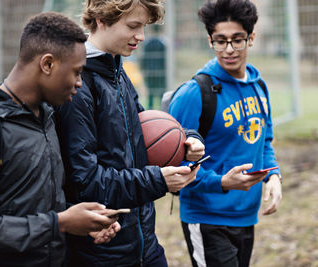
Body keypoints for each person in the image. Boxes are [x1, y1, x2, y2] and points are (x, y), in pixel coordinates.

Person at [0, 12, 121, 267]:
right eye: (76, 72)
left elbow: (29, 206)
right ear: (47, 64)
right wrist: (60, 223)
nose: (79, 83)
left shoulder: (48, 118)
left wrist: (80, 221)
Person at [56, 0, 205, 266]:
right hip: (102, 254)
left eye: (144, 27)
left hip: (144, 244)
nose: (142, 36)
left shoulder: (117, 72)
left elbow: (146, 130)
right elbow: (86, 183)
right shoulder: (78, 87)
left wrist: (187, 140)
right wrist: (159, 180)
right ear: (102, 20)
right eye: (133, 26)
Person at [169, 0, 283, 266]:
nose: (229, 49)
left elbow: (263, 141)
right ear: (210, 41)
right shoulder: (195, 93)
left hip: (246, 215)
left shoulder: (259, 86)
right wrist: (221, 183)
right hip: (207, 217)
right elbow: (174, 164)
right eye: (220, 41)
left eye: (237, 40)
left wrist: (273, 175)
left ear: (251, 38)